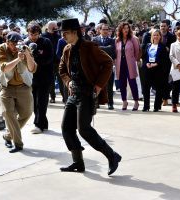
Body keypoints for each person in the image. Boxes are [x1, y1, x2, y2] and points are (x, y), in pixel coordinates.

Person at [58, 18, 121, 176]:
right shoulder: (67, 49)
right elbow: (61, 70)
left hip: (87, 93)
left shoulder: (89, 46)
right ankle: (78, 162)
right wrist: (68, 82)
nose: (63, 36)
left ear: (75, 32)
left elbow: (108, 63)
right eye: (62, 33)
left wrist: (99, 86)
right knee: (66, 128)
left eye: (65, 33)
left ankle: (112, 156)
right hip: (73, 93)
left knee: (84, 129)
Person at [0, 31, 37, 153]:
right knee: (8, 113)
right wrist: (18, 59)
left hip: (23, 86)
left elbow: (32, 68)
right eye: (13, 44)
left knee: (27, 114)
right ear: (7, 42)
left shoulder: (25, 48)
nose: (15, 46)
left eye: (17, 43)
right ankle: (18, 144)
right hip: (6, 86)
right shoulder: (1, 48)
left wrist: (27, 54)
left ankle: (8, 136)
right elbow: (4, 68)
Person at [24, 21, 54, 134]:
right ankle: (43, 123)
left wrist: (35, 58)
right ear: (28, 33)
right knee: (33, 102)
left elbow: (49, 58)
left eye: (36, 34)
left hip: (45, 77)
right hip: (31, 77)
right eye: (31, 34)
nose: (33, 37)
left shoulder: (46, 42)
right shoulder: (26, 43)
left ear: (39, 33)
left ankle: (38, 125)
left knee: (41, 102)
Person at [115, 22, 140, 111]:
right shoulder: (117, 40)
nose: (126, 30)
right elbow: (116, 53)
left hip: (130, 64)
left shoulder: (133, 39)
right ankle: (124, 101)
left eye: (127, 28)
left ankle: (136, 101)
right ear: (121, 30)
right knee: (122, 84)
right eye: (124, 28)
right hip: (120, 64)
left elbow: (137, 51)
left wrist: (134, 60)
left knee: (132, 83)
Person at [92, 23, 116, 110]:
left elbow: (113, 51)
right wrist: (107, 48)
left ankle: (110, 103)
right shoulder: (94, 39)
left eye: (107, 29)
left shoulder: (112, 40)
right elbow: (94, 50)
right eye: (104, 29)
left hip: (108, 66)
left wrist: (100, 48)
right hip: (97, 66)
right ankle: (96, 102)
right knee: (97, 85)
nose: (106, 31)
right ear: (100, 30)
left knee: (109, 86)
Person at [141, 29, 166, 112]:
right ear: (152, 36)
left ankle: (156, 106)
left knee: (159, 89)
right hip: (147, 69)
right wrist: (146, 63)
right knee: (146, 88)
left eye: (157, 35)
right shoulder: (148, 45)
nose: (156, 36)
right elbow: (144, 57)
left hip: (158, 69)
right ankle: (146, 106)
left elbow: (164, 59)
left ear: (160, 37)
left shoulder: (162, 47)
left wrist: (156, 63)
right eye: (154, 35)